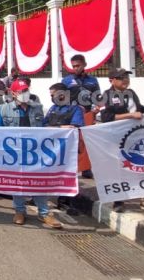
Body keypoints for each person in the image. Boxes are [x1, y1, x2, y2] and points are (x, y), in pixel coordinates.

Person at [0, 79, 63, 229]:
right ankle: (20, 211)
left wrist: (63, 129)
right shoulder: (4, 109)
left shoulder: (37, 108)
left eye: (26, 90)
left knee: (38, 181)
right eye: (20, 91)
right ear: (13, 93)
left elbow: (44, 126)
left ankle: (44, 213)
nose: (24, 94)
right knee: (18, 182)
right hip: (15, 153)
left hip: (36, 152)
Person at [100, 68, 144, 213]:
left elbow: (139, 109)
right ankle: (118, 201)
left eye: (126, 77)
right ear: (111, 80)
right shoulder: (106, 95)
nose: (125, 80)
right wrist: (129, 116)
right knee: (119, 168)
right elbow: (106, 117)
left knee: (143, 166)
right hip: (116, 139)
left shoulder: (131, 93)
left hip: (135, 136)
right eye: (121, 77)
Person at [43, 83, 85, 216]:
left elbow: (74, 127)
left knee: (68, 174)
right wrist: (60, 128)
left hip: (69, 149)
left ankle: (66, 201)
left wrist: (55, 127)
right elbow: (43, 125)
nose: (51, 97)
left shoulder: (75, 109)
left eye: (52, 94)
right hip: (52, 147)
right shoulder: (53, 108)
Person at [62, 54, 101, 179]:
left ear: (84, 64)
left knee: (86, 143)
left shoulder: (93, 80)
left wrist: (97, 108)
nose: (76, 68)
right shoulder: (66, 80)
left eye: (78, 65)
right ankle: (71, 169)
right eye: (73, 66)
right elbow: (61, 98)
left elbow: (97, 97)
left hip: (88, 114)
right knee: (72, 142)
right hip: (72, 115)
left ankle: (86, 169)